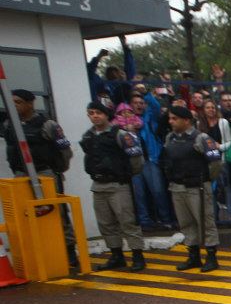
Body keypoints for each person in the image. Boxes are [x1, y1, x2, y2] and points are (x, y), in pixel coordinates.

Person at [2, 89, 77, 266]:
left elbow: (65, 151)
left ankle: (69, 250)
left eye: (18, 102)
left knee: (57, 212)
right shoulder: (9, 124)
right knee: (25, 214)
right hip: (21, 174)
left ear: (30, 103)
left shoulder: (48, 125)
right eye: (12, 102)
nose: (14, 106)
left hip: (45, 173)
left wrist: (58, 171)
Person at [80, 101, 146, 272]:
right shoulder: (88, 136)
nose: (95, 116)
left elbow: (137, 160)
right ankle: (117, 256)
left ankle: (137, 256)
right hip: (99, 185)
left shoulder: (121, 134)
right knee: (105, 223)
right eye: (91, 113)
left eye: (98, 113)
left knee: (127, 221)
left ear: (106, 115)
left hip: (118, 184)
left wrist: (127, 175)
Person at [162, 106, 221, 272]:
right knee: (186, 222)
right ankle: (193, 255)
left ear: (186, 120)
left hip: (198, 187)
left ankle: (211, 256)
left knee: (205, 221)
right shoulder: (170, 138)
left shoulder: (201, 138)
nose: (171, 122)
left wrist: (206, 179)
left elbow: (216, 163)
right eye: (170, 118)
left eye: (175, 118)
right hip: (178, 187)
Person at [129, 92, 175, 229]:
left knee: (158, 191)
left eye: (141, 103)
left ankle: (165, 219)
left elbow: (155, 106)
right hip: (134, 161)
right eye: (135, 103)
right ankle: (144, 221)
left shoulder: (149, 119)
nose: (139, 105)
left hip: (151, 160)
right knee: (139, 194)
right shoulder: (125, 121)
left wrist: (145, 93)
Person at [198, 99, 231, 220]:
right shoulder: (200, 124)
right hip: (207, 162)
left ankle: (230, 215)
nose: (211, 110)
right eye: (208, 107)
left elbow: (229, 141)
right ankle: (213, 215)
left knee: (225, 187)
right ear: (203, 110)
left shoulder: (223, 122)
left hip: (221, 160)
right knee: (210, 190)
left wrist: (220, 147)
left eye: (213, 107)